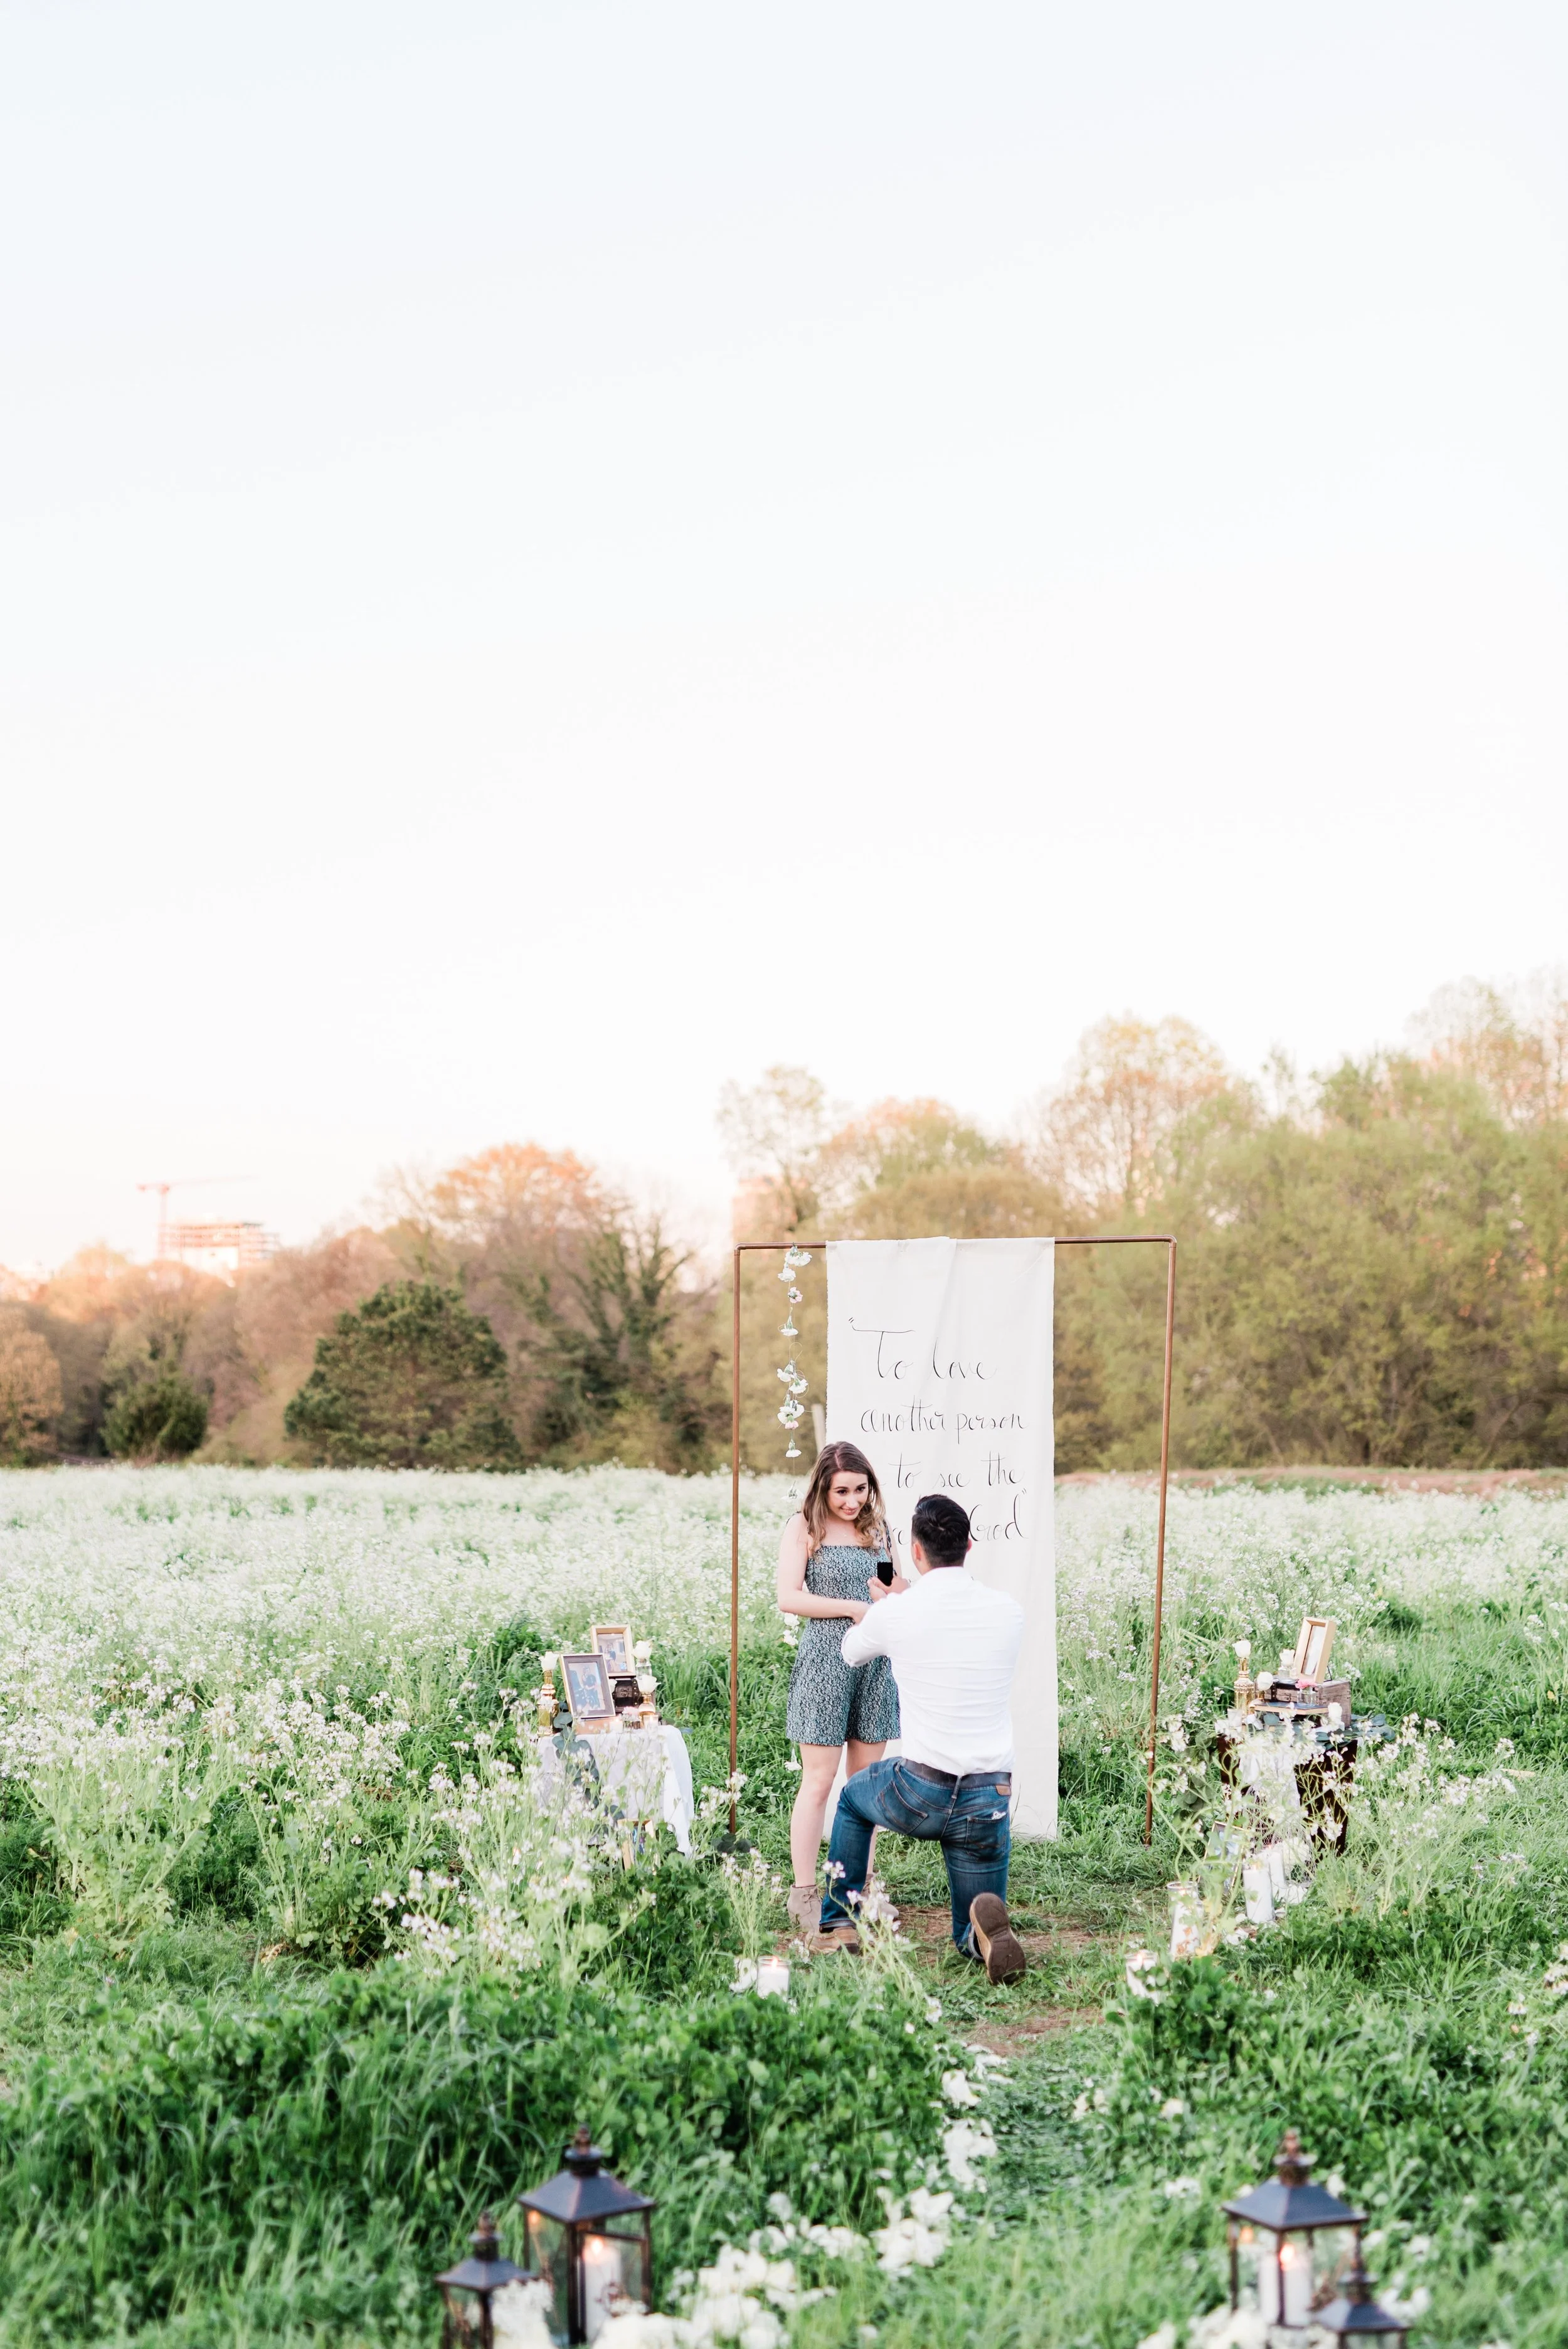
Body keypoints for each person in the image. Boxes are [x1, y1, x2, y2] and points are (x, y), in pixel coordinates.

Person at [816, 1490, 1028, 1985]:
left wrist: (884, 1608)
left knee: (852, 1797)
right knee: (968, 1923)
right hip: (988, 1795)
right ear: (970, 1545)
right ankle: (978, 1936)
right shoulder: (1007, 1610)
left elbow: (850, 1652)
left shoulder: (899, 1612)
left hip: (920, 1790)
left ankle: (841, 1920)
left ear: (915, 1550)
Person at [776, 1441, 905, 1934]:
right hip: (826, 1664)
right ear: (823, 1489)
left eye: (860, 1489)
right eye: (842, 1492)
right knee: (819, 1782)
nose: (852, 1501)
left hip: (875, 1665)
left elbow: (893, 1588)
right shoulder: (803, 1526)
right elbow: (789, 1597)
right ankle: (804, 1891)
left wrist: (895, 1593)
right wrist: (853, 1608)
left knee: (865, 1787)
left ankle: (862, 1887)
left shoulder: (878, 1529)